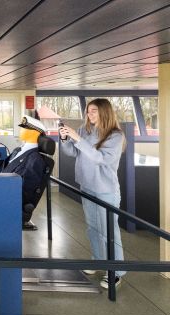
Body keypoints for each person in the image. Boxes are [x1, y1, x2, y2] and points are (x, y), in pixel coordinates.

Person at [59, 98, 126, 289]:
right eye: (88, 111)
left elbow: (100, 159)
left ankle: (116, 272)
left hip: (106, 190)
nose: (90, 114)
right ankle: (98, 260)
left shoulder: (115, 136)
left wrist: (78, 139)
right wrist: (65, 139)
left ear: (104, 112)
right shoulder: (84, 130)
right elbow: (73, 152)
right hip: (87, 186)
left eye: (94, 111)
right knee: (92, 228)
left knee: (109, 232)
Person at [0, 115, 47, 230]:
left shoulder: (35, 159)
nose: (21, 130)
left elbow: (27, 191)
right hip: (1, 191)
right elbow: (5, 166)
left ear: (35, 133)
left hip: (8, 199)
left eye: (24, 128)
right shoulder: (18, 150)